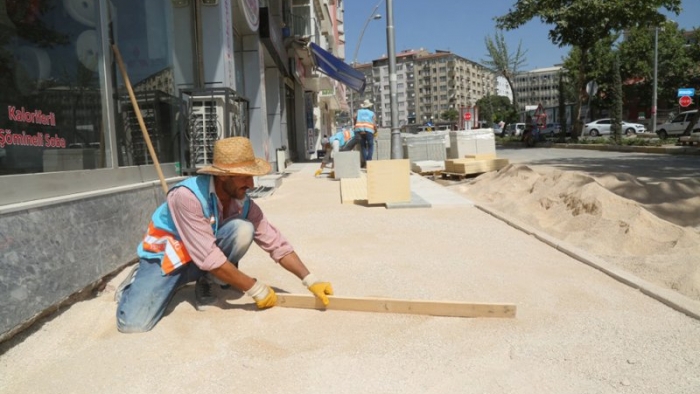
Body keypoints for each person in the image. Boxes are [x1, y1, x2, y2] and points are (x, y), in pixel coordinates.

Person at [115, 136, 334, 333]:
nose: (251, 184)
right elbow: (210, 256)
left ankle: (206, 280)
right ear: (223, 177)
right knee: (133, 324)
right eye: (244, 177)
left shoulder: (243, 203)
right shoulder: (187, 196)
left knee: (242, 229)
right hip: (167, 258)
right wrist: (254, 287)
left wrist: (310, 279)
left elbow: (275, 242)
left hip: (200, 258)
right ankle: (136, 281)